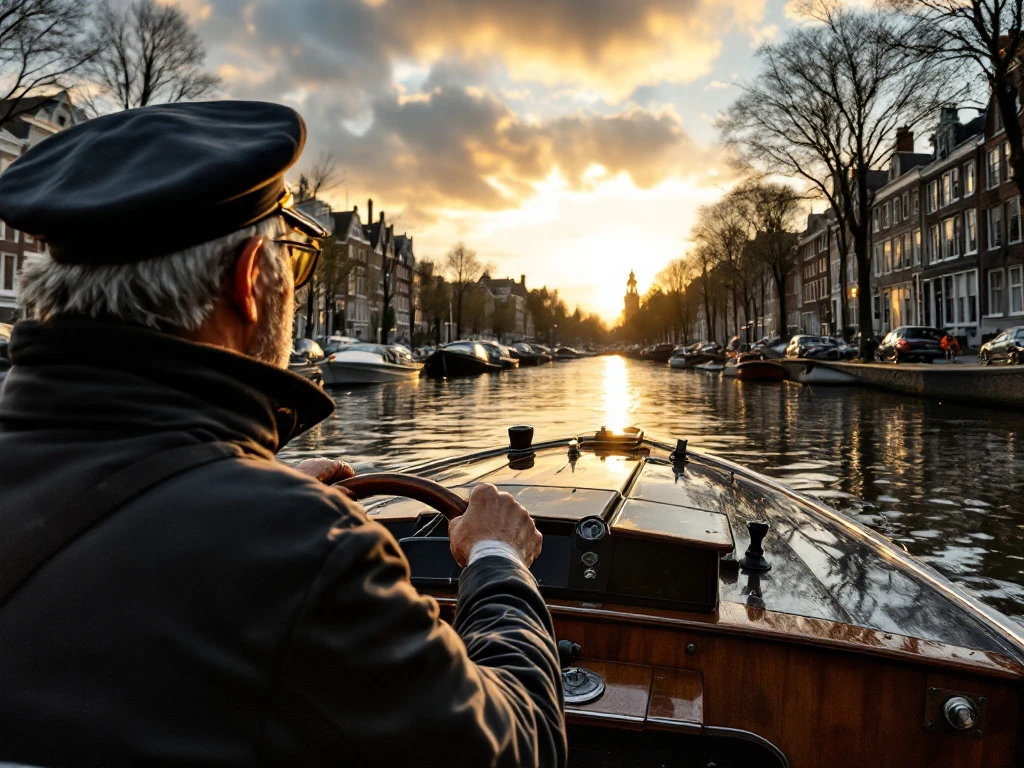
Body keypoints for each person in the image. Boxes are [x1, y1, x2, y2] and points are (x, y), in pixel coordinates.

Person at [0, 102, 565, 767]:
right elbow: (515, 749)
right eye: (292, 263)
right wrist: (497, 561)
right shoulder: (301, 555)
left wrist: (233, 483)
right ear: (247, 281)